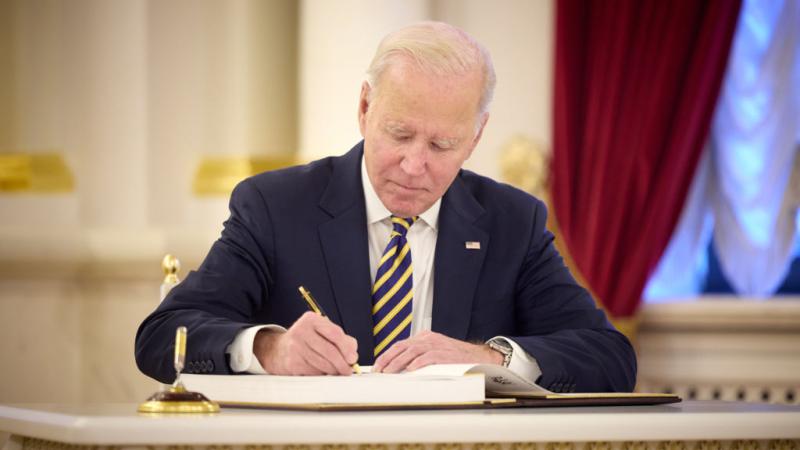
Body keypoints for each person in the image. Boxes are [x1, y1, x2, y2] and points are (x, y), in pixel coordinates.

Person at [135, 21, 637, 392]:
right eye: (399, 134)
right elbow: (161, 336)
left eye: (442, 145)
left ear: (476, 136)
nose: (415, 165)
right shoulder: (275, 206)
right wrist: (272, 348)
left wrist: (489, 357)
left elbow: (610, 358)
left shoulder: (512, 222)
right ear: (364, 108)